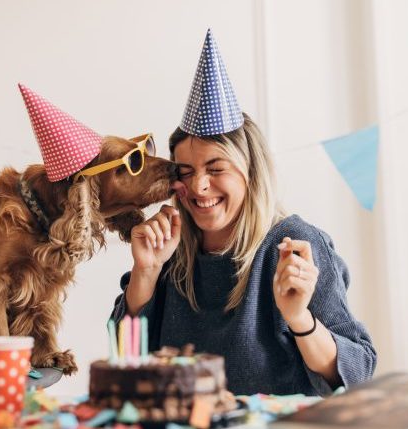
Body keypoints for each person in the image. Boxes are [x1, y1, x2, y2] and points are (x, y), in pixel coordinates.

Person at [110, 29, 376, 396]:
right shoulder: (169, 253)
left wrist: (299, 318)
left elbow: (359, 373)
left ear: (250, 171)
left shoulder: (296, 245)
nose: (199, 187)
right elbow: (123, 362)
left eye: (216, 169)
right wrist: (146, 274)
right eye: (185, 172)